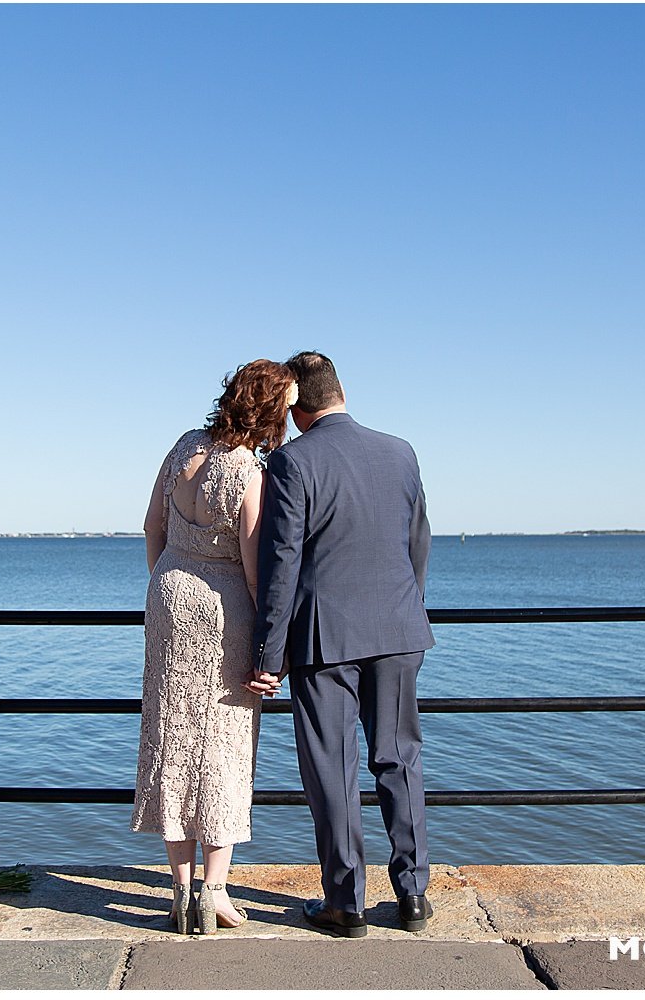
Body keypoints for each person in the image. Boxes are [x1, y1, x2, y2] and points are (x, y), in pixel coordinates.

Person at [245, 351, 434, 938]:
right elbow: (417, 541)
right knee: (398, 759)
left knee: (332, 767)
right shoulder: (400, 450)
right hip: (398, 629)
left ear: (295, 407)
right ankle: (413, 897)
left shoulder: (291, 462)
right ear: (343, 391)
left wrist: (267, 655)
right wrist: (407, 610)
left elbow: (281, 567)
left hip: (324, 638)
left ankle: (346, 903)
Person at [131, 358, 298, 935]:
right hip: (224, 607)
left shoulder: (184, 446)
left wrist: (168, 578)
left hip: (169, 595)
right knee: (224, 741)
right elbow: (255, 570)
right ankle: (215, 892)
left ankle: (178, 891)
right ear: (273, 413)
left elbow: (153, 525)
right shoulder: (249, 472)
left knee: (169, 735)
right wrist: (265, 645)